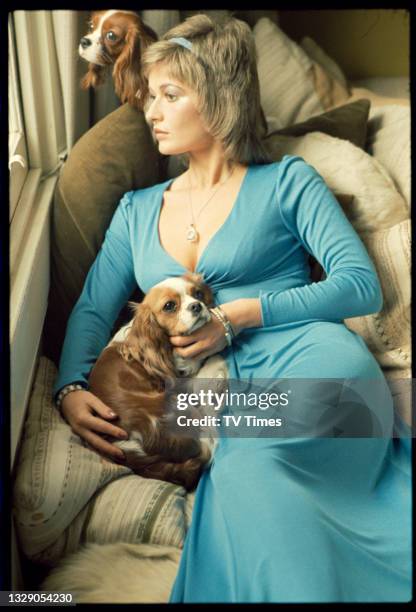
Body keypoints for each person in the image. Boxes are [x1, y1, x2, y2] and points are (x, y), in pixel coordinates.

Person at [53, 14, 411, 603]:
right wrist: (70, 387)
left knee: (252, 469)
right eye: (150, 96)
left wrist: (239, 316)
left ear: (218, 99)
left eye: (170, 95)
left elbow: (359, 286)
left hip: (321, 369)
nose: (152, 111)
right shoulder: (136, 209)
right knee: (245, 474)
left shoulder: (288, 181)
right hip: (208, 400)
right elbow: (93, 310)